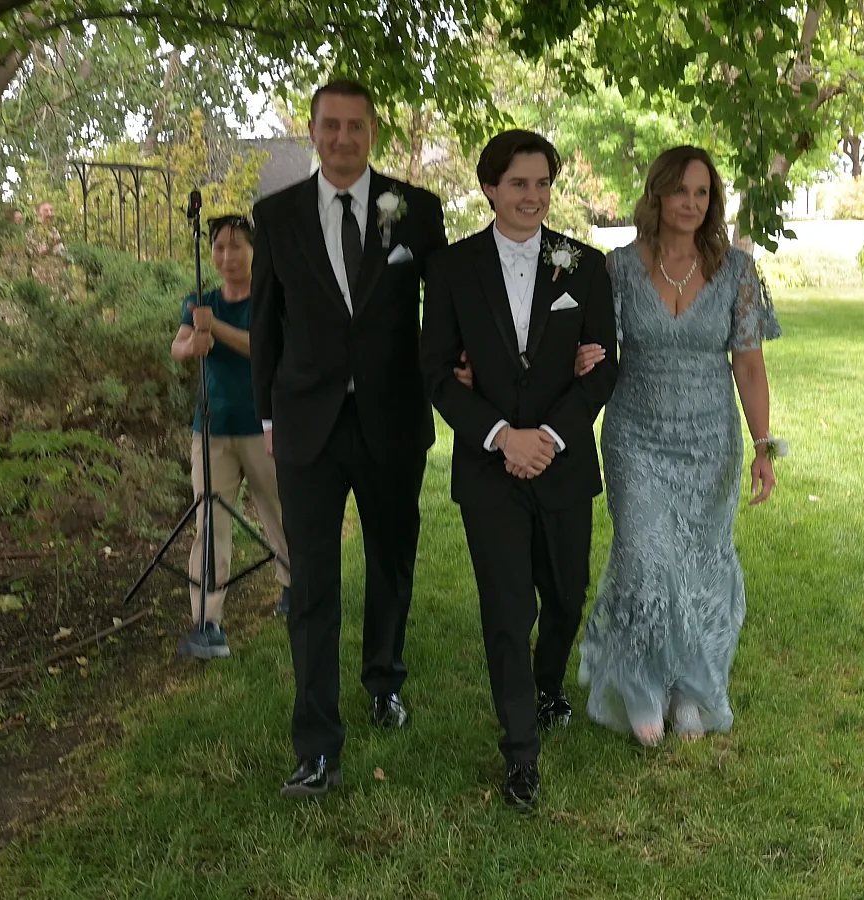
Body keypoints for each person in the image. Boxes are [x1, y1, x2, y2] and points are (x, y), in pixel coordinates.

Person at [250, 80, 448, 798]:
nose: (342, 138)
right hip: (308, 426)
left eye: (355, 125)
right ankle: (317, 747)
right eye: (330, 125)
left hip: (392, 419)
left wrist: (456, 370)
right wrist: (269, 419)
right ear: (313, 131)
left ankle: (384, 680)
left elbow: (445, 306)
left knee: (392, 560)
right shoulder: (276, 216)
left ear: (373, 132)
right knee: (312, 584)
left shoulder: (415, 209)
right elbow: (266, 322)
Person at [420, 129, 618, 811]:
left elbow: (604, 368)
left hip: (563, 465)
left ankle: (548, 683)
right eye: (517, 184)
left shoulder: (583, 265)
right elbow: (437, 373)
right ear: (489, 188)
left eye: (542, 184)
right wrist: (502, 436)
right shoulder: (452, 268)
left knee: (564, 597)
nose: (532, 197)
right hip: (490, 467)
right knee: (507, 610)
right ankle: (520, 754)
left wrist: (551, 438)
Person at [577, 145, 783, 747]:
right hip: (635, 437)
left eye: (702, 192)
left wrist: (763, 445)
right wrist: (582, 356)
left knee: (699, 565)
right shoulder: (618, 268)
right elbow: (598, 347)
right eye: (680, 190)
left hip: (709, 441)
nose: (690, 203)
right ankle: (642, 687)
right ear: (658, 194)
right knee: (644, 559)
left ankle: (692, 690)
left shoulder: (737, 272)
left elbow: (749, 364)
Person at [170, 214, 292, 659]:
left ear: (256, 251)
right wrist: (192, 344)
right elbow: (178, 346)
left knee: (280, 512)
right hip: (212, 431)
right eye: (219, 247)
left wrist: (215, 328)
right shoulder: (199, 302)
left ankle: (294, 586)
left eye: (237, 245)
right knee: (209, 523)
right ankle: (208, 623)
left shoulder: (271, 298)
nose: (227, 256)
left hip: (266, 427)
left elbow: (266, 348)